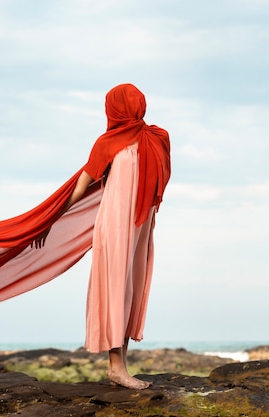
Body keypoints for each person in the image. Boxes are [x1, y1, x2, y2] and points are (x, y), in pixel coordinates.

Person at [34, 83, 171, 389]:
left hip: (140, 226)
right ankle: (116, 368)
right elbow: (81, 186)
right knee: (115, 288)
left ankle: (121, 367)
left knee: (132, 289)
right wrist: (50, 220)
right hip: (114, 224)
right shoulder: (107, 143)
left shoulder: (157, 138)